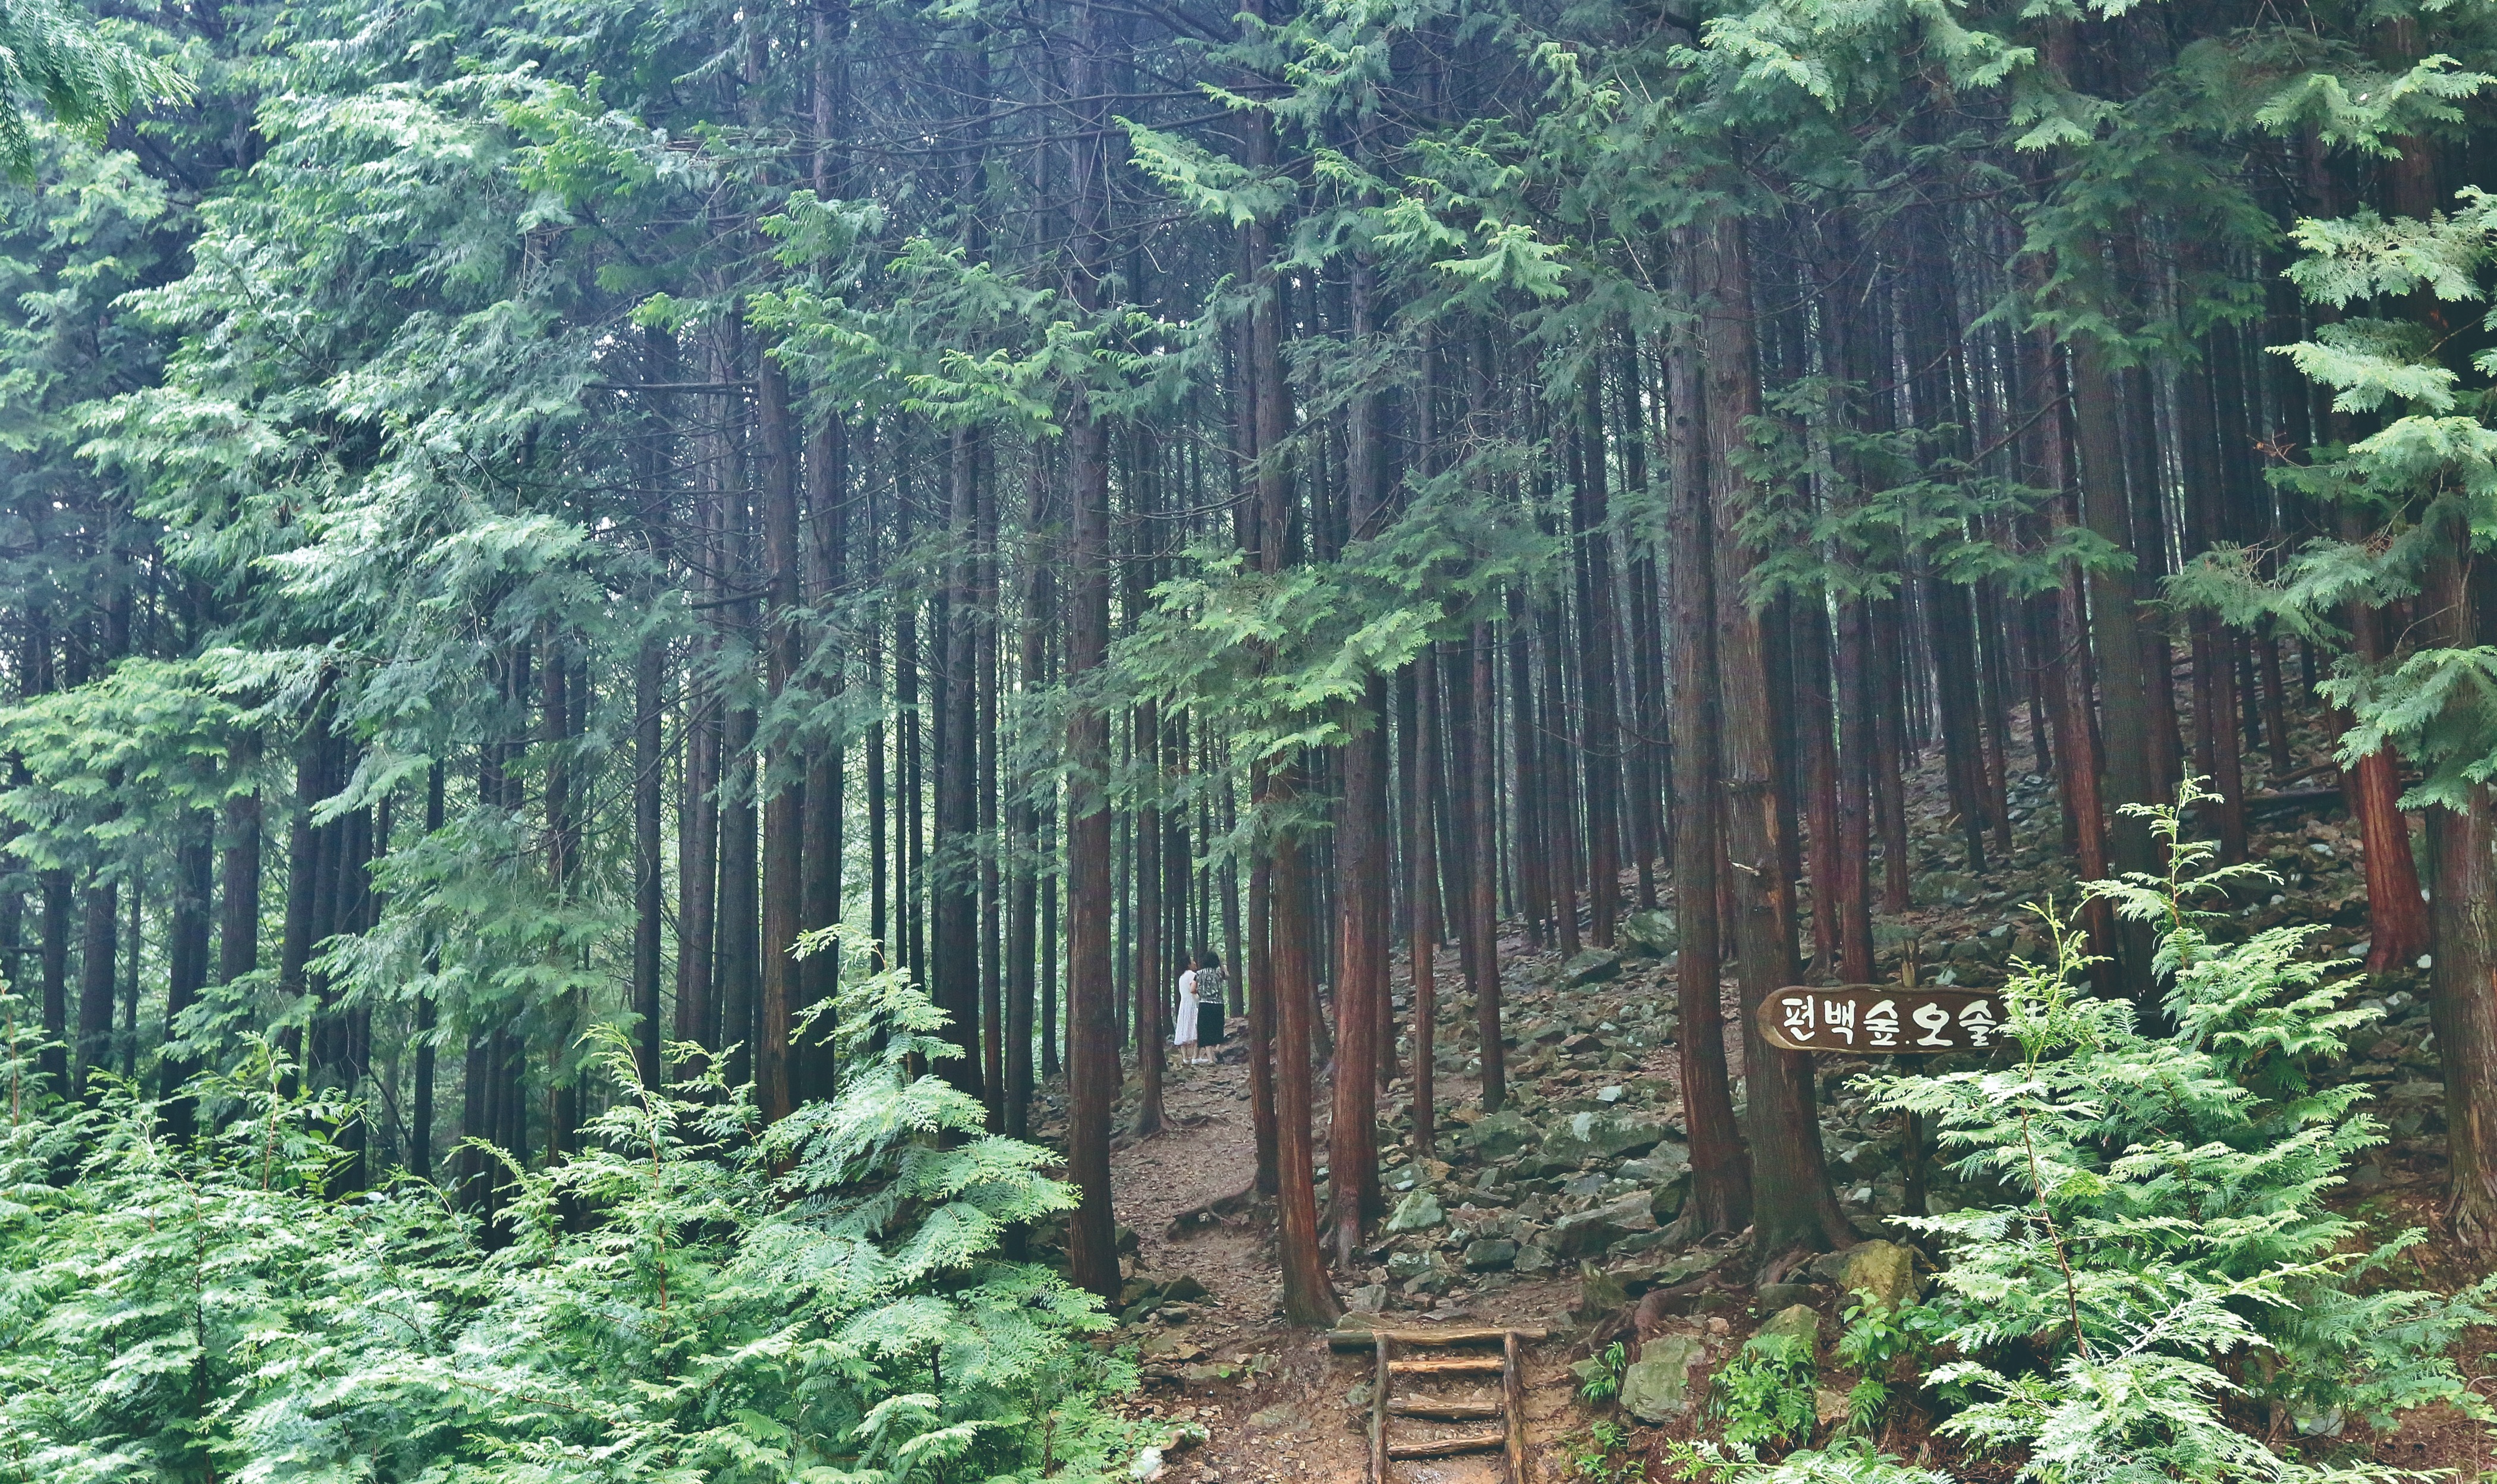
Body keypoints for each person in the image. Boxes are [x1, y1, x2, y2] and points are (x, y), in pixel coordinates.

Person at [1172, 959, 1203, 1066]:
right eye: (1193, 961)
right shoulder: (1192, 975)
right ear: (1188, 964)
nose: (1195, 962)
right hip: (1192, 1003)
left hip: (1183, 1004)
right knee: (1197, 1028)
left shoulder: (1181, 977)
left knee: (1183, 1028)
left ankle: (1185, 1058)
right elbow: (1193, 989)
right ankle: (1195, 1057)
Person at [1195, 951, 1226, 1053]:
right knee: (1218, 1029)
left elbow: (1193, 988)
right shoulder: (1218, 973)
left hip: (1204, 1004)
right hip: (1218, 1004)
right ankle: (1217, 1049)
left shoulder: (1199, 974)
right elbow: (1227, 976)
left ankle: (1211, 1059)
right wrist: (1222, 965)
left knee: (1205, 1031)